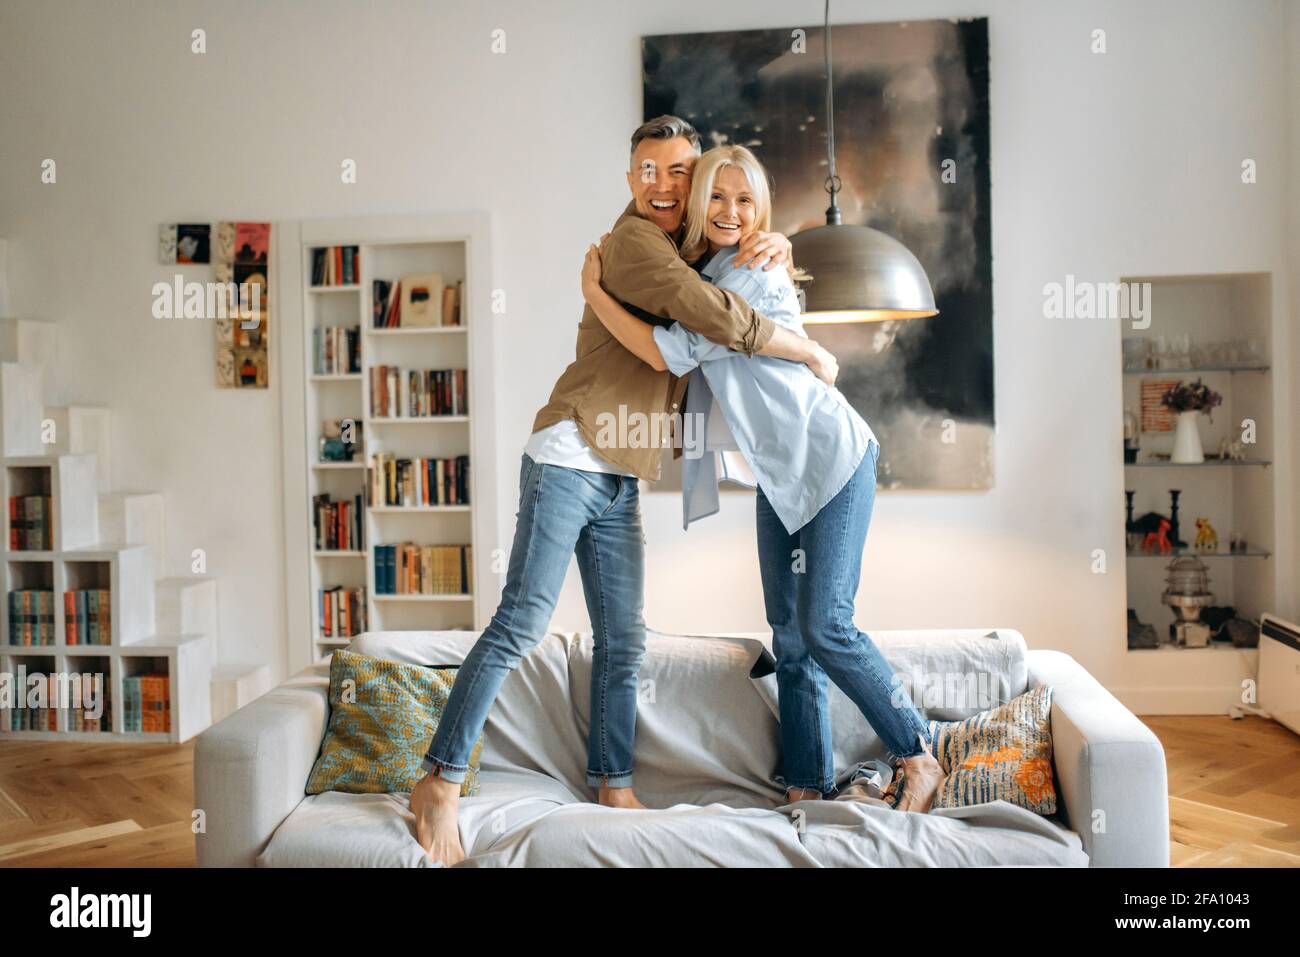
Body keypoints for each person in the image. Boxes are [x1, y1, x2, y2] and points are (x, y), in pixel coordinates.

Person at [409, 117, 842, 865]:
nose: (665, 185)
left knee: (624, 637)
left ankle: (611, 783)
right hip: (571, 450)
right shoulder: (639, 244)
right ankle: (440, 781)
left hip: (619, 468)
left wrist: (779, 242)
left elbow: (728, 263)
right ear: (631, 179)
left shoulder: (690, 245)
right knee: (521, 620)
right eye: (650, 170)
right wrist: (804, 346)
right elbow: (709, 312)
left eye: (680, 171)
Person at [579, 144, 947, 812]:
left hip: (830, 459)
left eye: (745, 200)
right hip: (779, 476)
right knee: (789, 634)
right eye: (716, 196)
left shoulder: (749, 270)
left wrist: (593, 293)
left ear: (762, 211)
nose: (729, 210)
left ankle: (918, 752)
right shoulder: (711, 267)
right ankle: (806, 783)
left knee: (826, 622)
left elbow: (666, 352)